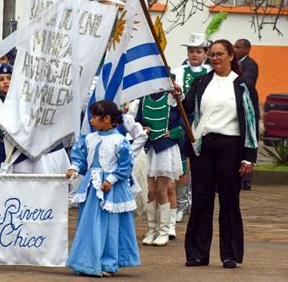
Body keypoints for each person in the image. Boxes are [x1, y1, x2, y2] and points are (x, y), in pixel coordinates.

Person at [183, 39, 259, 269]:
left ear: (230, 56)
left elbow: (252, 121)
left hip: (231, 147)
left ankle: (230, 254)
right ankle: (197, 254)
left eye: (220, 54)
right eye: (212, 55)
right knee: (201, 200)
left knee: (229, 200)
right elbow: (186, 107)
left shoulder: (242, 85)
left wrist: (249, 156)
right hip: (204, 148)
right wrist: (176, 93)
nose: (215, 58)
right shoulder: (201, 81)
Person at [65, 100, 140, 277]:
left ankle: (108, 263)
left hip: (111, 190)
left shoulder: (120, 141)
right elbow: (81, 159)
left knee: (111, 226)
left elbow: (126, 165)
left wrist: (112, 179)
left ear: (107, 119)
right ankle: (86, 262)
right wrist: (74, 168)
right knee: (88, 223)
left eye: (94, 117)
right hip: (92, 189)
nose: (91, 120)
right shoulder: (89, 139)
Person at [0, 63, 69, 174]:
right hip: (2, 157)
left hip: (24, 158)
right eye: (1, 79)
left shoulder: (27, 103)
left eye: (9, 78)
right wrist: (10, 129)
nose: (5, 82)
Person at [172, 33, 212, 224]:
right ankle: (181, 204)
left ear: (206, 53)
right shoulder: (178, 71)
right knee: (181, 163)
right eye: (190, 51)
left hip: (206, 122)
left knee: (202, 164)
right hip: (183, 120)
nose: (194, 54)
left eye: (198, 51)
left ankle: (198, 203)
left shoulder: (212, 73)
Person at [135, 90, 184, 246]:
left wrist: (174, 133)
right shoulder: (145, 97)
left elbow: (186, 117)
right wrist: (143, 129)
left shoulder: (172, 96)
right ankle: (151, 230)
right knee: (150, 190)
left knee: (162, 190)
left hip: (166, 148)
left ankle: (164, 231)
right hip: (150, 148)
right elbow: (138, 120)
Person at [234, 38, 259, 190]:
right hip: (237, 108)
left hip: (247, 107)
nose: (235, 49)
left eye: (238, 47)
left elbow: (247, 81)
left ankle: (247, 180)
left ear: (247, 50)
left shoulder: (250, 64)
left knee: (249, 141)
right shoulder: (234, 63)